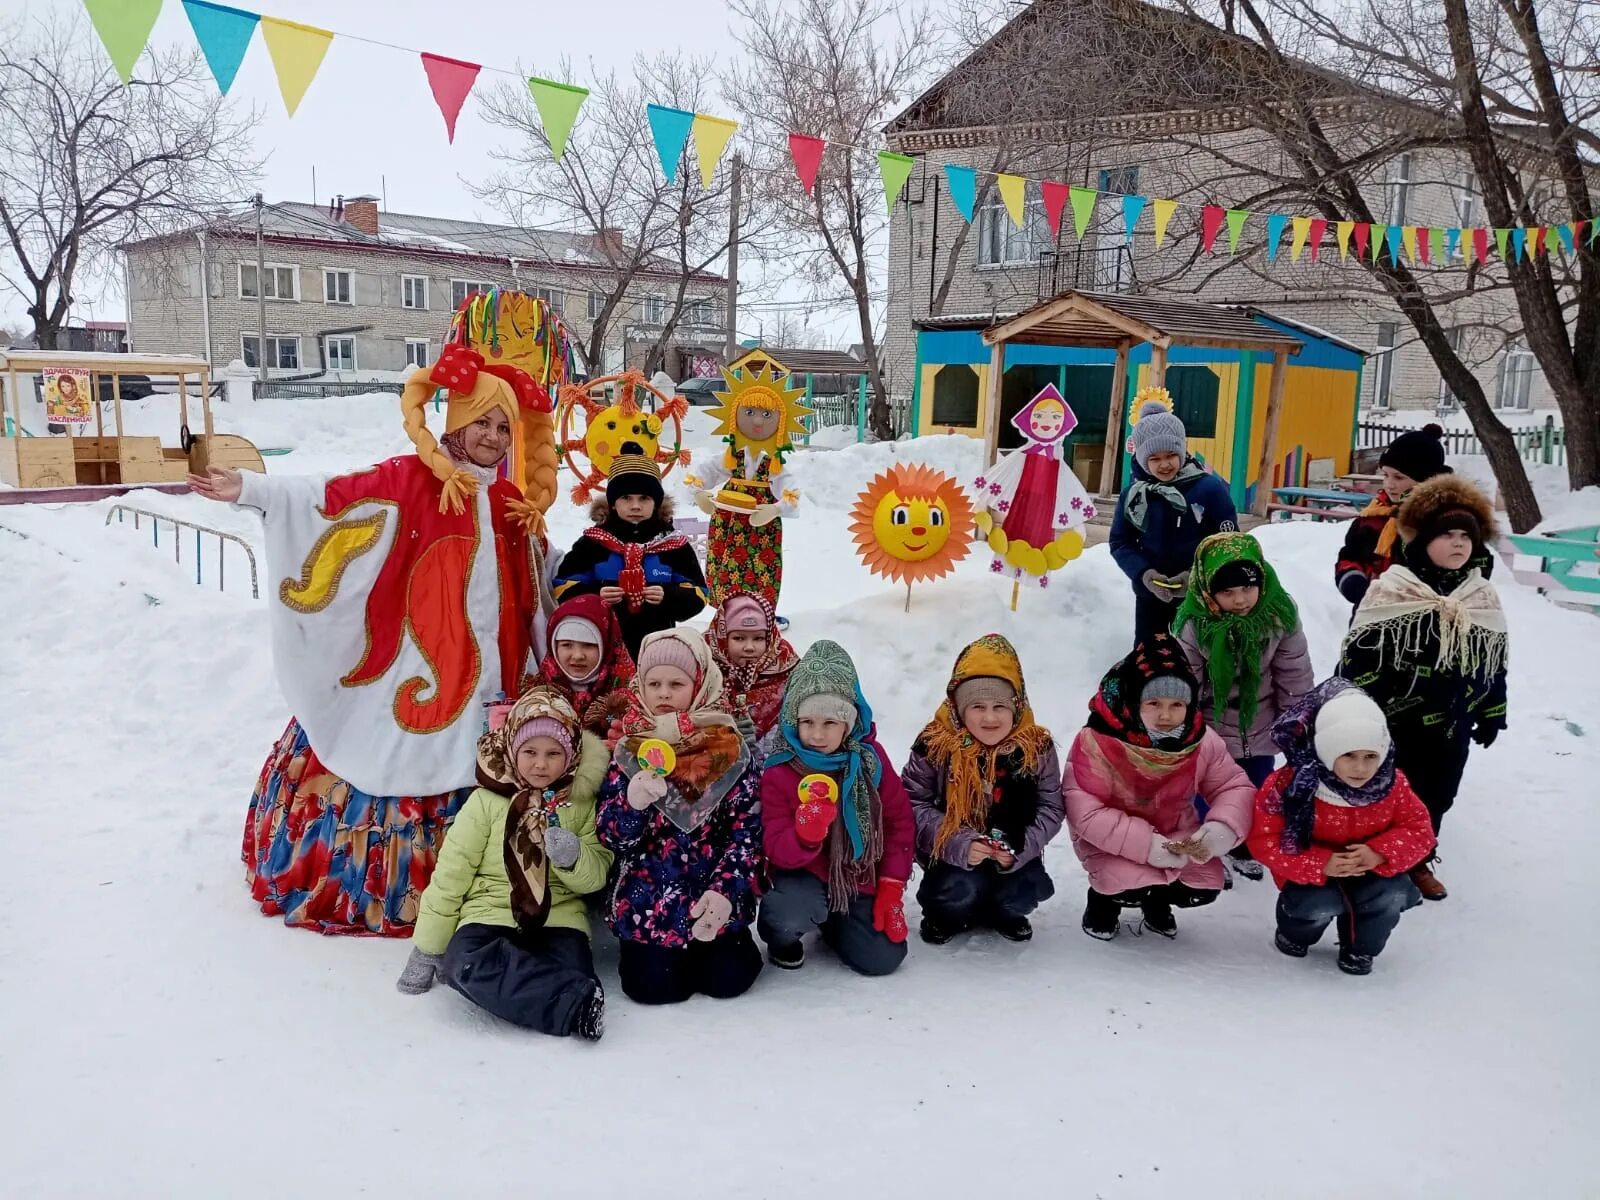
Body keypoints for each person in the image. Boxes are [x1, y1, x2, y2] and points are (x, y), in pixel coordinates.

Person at [189, 350, 547, 935]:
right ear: (454, 421)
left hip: (493, 683)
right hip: (411, 666)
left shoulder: (512, 504)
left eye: (503, 426)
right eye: (481, 421)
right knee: (388, 752)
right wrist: (253, 489)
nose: (492, 436)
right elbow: (335, 494)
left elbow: (535, 579)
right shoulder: (412, 476)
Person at [396, 688, 611, 1036]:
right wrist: (428, 947)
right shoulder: (485, 802)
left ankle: (568, 992)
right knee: (462, 963)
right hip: (490, 912)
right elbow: (452, 874)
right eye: (530, 752)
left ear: (571, 756)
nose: (541, 764)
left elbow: (596, 877)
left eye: (554, 753)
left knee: (572, 969)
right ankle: (573, 1004)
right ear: (512, 748)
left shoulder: (580, 804)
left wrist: (574, 858)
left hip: (558, 916)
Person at [1338, 475, 1507, 901]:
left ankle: (1417, 857)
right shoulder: (1393, 589)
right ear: (1422, 540)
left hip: (1453, 722)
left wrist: (1491, 711)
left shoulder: (1480, 595)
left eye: (1466, 536)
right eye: (1446, 535)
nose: (1458, 544)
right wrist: (1360, 712)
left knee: (1439, 793)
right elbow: (1358, 659)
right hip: (1397, 721)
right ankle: (1373, 860)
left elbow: (1493, 659)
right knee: (1387, 791)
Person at [595, 630, 764, 1004]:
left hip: (712, 898)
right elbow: (610, 836)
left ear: (699, 683)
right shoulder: (628, 750)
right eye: (654, 683)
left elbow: (746, 834)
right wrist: (631, 805)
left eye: (676, 683)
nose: (664, 693)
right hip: (648, 902)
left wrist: (726, 893)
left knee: (728, 980)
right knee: (652, 988)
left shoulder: (730, 749)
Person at [1064, 635, 1256, 941]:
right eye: (1154, 703)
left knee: (1204, 883)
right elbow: (1084, 810)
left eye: (1176, 704)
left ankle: (1158, 901)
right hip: (1109, 839)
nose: (1166, 715)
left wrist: (1222, 828)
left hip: (1174, 833)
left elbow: (1233, 785)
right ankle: (1102, 904)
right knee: (1126, 883)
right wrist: (1147, 846)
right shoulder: (1097, 741)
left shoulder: (1199, 741)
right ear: (1134, 700)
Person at [1248, 681, 1434, 976]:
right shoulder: (1289, 785)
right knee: (1314, 906)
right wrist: (1321, 864)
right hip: (1311, 874)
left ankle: (1360, 949)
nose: (1360, 768)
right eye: (1348, 755)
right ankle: (1295, 934)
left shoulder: (1393, 785)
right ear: (1326, 749)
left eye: (1370, 756)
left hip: (1372, 871)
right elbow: (1264, 841)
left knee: (1391, 897)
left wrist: (1379, 853)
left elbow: (1420, 830)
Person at [758, 640, 913, 975]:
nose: (816, 734)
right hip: (805, 875)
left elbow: (899, 823)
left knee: (883, 958)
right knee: (789, 912)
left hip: (857, 876)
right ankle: (784, 940)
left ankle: (838, 922)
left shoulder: (871, 762)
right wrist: (805, 837)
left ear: (849, 722)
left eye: (830, 723)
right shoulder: (781, 768)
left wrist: (890, 884)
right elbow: (773, 843)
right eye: (807, 722)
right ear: (792, 719)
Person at [902, 634, 1064, 945]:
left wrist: (1021, 848)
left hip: (1013, 844)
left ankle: (1005, 911)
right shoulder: (935, 744)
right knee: (957, 888)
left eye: (999, 707)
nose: (989, 718)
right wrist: (961, 843)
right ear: (959, 709)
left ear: (1016, 708)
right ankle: (944, 914)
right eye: (977, 706)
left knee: (1024, 889)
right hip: (952, 851)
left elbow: (1051, 807)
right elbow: (913, 803)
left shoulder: (1035, 747)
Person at [1174, 531, 1314, 880]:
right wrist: (1186, 728)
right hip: (1212, 723)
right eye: (1227, 592)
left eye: (1247, 588)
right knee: (1208, 790)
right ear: (1209, 591)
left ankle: (1240, 845)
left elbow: (1293, 671)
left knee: (1255, 790)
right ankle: (1205, 848)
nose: (1240, 600)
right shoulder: (1195, 622)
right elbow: (1186, 681)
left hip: (1260, 721)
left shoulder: (1278, 613)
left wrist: (1296, 722)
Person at [553, 444, 708, 659]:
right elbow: (562, 587)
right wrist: (596, 595)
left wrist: (669, 597)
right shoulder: (592, 543)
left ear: (656, 503)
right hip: (601, 650)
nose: (635, 506)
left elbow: (699, 593)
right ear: (613, 503)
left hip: (657, 651)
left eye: (644, 498)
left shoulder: (674, 545)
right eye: (626, 498)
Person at [1109, 393, 1239, 645]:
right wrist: (1144, 574)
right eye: (1154, 458)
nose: (1164, 464)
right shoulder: (1133, 495)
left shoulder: (1209, 489)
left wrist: (1195, 577)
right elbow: (1120, 542)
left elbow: (1228, 544)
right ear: (1142, 459)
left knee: (1197, 656)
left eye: (1170, 455)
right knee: (1151, 659)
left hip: (1202, 596)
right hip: (1150, 597)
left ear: (1182, 449)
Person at [1334, 424, 1450, 607]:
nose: (1389, 484)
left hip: (1423, 620)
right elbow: (1351, 555)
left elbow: (1460, 568)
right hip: (1370, 615)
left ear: (1426, 479)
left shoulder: (1443, 520)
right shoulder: (1374, 515)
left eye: (1399, 477)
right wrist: (1353, 581)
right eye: (1385, 475)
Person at [533, 594, 635, 735]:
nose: (578, 655)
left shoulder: (631, 699)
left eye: (589, 645)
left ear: (607, 647)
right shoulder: (539, 694)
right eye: (567, 645)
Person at [706, 592, 798, 743]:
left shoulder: (786, 668)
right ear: (722, 637)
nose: (749, 647)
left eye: (758, 638)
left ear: (769, 638)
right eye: (739, 638)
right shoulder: (704, 669)